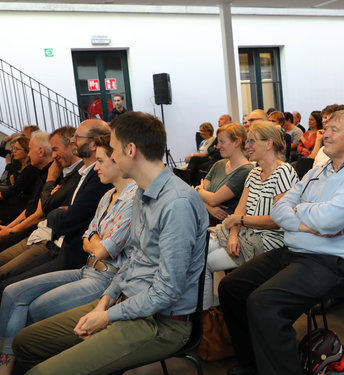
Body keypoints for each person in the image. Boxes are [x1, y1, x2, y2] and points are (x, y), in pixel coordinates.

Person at [12, 111, 208, 375]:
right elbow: (134, 259)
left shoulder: (177, 202)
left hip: (161, 323)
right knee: (26, 341)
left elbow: (167, 292)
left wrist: (106, 317)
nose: (109, 157)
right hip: (128, 303)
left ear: (130, 150)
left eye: (113, 150)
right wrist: (106, 301)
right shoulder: (142, 191)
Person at [218, 110, 344, 375]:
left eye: (333, 130)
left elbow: (329, 220)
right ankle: (254, 365)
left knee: (264, 303)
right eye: (325, 128)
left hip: (335, 261)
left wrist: (304, 214)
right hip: (296, 250)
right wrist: (311, 221)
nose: (324, 134)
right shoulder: (318, 171)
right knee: (231, 287)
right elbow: (279, 210)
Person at [0, 135, 137, 375]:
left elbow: (103, 249)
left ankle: (17, 363)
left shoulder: (134, 197)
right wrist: (94, 240)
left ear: (119, 162)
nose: (96, 166)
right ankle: (6, 365)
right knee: (12, 291)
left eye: (102, 161)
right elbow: (88, 235)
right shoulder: (108, 196)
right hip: (87, 268)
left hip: (108, 278)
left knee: (33, 310)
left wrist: (93, 240)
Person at [0, 120, 111, 295]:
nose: (73, 141)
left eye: (77, 137)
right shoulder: (79, 173)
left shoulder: (93, 177)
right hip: (54, 243)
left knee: (9, 289)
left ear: (92, 144)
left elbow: (51, 213)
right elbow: (45, 208)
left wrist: (52, 188)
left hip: (64, 250)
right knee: (6, 282)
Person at [203, 121, 298, 309]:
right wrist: (232, 234)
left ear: (269, 144)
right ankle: (213, 315)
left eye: (251, 142)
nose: (247, 147)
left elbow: (276, 221)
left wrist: (239, 221)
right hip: (244, 232)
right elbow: (240, 209)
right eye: (247, 142)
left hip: (269, 242)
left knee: (203, 263)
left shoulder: (284, 172)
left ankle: (209, 321)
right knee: (197, 250)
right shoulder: (254, 173)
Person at [195, 123, 253, 225]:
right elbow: (197, 196)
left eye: (222, 142)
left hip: (225, 226)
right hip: (205, 220)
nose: (217, 146)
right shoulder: (219, 164)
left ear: (237, 142)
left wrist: (198, 190)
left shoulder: (246, 170)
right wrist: (209, 207)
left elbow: (214, 199)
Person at [0, 137, 39, 224]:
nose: (13, 151)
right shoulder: (20, 165)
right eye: (13, 148)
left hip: (23, 206)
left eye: (16, 149)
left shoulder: (31, 169)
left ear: (26, 152)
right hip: (19, 200)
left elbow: (15, 189)